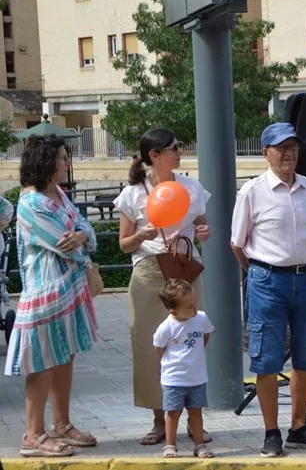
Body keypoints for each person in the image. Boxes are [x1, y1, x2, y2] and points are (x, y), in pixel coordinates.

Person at [230, 122, 306, 457]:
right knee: (266, 359)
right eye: (281, 148)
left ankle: (299, 428)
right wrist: (261, 273)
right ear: (266, 153)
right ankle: (271, 431)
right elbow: (238, 244)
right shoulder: (251, 192)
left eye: (293, 147)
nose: (289, 154)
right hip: (268, 281)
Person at [113, 128, 212, 446]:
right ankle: (160, 421)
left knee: (193, 343)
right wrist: (142, 235)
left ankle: (195, 421)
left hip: (185, 271)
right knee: (149, 348)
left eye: (179, 146)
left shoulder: (192, 187)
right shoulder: (132, 193)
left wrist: (204, 232)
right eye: (173, 148)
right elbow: (124, 245)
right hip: (148, 274)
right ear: (154, 156)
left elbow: (201, 226)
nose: (180, 151)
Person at [5, 135, 99, 457]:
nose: (66, 163)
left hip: (67, 291)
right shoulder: (31, 203)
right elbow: (64, 242)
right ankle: (33, 434)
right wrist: (81, 235)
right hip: (46, 294)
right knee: (42, 362)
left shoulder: (58, 193)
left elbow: (83, 229)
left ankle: (62, 425)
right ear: (46, 161)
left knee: (64, 354)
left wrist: (84, 234)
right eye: (62, 157)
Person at [153, 279, 215, 459]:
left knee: (196, 412)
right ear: (173, 310)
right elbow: (159, 348)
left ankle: (199, 444)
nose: (194, 309)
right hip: (174, 379)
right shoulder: (166, 327)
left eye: (195, 304)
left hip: (197, 378)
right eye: (189, 307)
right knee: (172, 413)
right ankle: (170, 445)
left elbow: (206, 336)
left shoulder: (201, 318)